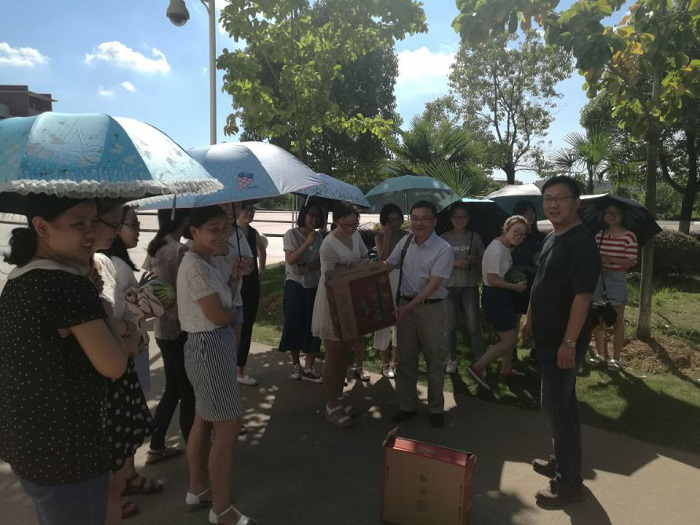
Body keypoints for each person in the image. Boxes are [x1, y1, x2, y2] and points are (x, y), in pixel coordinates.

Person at [0, 195, 128, 525]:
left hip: (29, 445)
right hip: (69, 452)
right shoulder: (67, 285)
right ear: (42, 227)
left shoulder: (19, 278)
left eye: (93, 221)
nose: (90, 232)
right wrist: (103, 308)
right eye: (77, 224)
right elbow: (114, 365)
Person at [521, 176, 600, 507]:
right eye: (548, 198)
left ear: (576, 202)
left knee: (556, 408)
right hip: (546, 335)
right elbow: (541, 282)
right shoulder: (554, 236)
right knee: (561, 405)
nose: (552, 204)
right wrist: (529, 318)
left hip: (563, 341)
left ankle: (569, 483)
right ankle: (561, 460)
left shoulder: (581, 243)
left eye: (560, 198)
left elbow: (583, 297)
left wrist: (569, 343)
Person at [176, 206, 255, 525]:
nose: (222, 235)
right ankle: (221, 509)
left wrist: (234, 277)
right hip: (209, 347)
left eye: (225, 227)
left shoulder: (206, 263)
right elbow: (222, 315)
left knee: (205, 419)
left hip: (208, 346)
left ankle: (197, 489)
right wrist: (233, 315)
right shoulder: (196, 266)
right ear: (194, 231)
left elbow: (225, 302)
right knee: (228, 428)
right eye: (214, 229)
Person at [93, 200, 155, 524]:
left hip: (121, 358)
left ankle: (124, 485)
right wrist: (130, 329)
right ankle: (116, 496)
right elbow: (109, 318)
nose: (133, 229)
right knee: (117, 441)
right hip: (115, 365)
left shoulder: (106, 262)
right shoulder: (104, 263)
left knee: (122, 439)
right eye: (126, 223)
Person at [386, 200, 454, 428]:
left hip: (431, 309)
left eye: (425, 218)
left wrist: (407, 308)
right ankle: (407, 405)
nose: (419, 223)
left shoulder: (443, 249)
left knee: (434, 359)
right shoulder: (406, 242)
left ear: (434, 221)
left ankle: (436, 408)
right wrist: (362, 270)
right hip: (405, 307)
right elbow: (389, 264)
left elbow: (433, 285)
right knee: (405, 359)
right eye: (414, 218)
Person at [142, 208, 196, 464]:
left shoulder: (155, 247)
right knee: (187, 391)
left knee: (173, 388)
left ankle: (156, 446)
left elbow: (149, 281)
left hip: (162, 329)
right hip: (179, 328)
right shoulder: (180, 251)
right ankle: (194, 447)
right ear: (184, 220)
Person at [311, 201, 368, 427]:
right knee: (333, 354)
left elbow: (364, 256)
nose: (351, 228)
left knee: (345, 352)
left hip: (352, 296)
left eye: (355, 224)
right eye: (346, 224)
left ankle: (339, 397)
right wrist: (350, 268)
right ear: (336, 221)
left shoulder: (356, 235)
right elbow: (329, 277)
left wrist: (360, 264)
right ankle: (331, 405)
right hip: (333, 299)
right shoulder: (328, 244)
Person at [466, 216, 529, 389]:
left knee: (509, 336)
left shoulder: (505, 246)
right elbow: (492, 279)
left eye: (522, 234)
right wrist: (515, 287)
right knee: (508, 340)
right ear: (506, 228)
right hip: (495, 296)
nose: (519, 236)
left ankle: (506, 370)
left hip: (501, 295)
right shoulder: (496, 249)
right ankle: (477, 367)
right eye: (516, 231)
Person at [588, 204, 638, 371]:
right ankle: (600, 354)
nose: (612, 215)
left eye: (615, 213)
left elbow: (632, 261)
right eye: (608, 212)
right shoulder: (599, 235)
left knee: (617, 320)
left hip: (617, 279)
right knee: (598, 318)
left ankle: (616, 358)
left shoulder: (629, 236)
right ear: (604, 216)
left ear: (622, 216)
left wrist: (611, 259)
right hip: (598, 278)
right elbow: (593, 256)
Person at [278, 203, 324, 382]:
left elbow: (322, 261)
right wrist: (307, 242)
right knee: (294, 324)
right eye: (311, 215)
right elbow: (290, 260)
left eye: (317, 216)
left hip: (314, 285)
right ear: (304, 215)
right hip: (295, 285)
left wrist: (309, 266)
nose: (314, 219)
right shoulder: (291, 234)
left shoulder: (319, 237)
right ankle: (296, 364)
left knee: (313, 326)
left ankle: (309, 367)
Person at [440, 203, 486, 374]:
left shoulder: (475, 237)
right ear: (451, 219)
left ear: (468, 218)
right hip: (449, 287)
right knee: (449, 325)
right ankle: (451, 359)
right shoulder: (443, 238)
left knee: (474, 326)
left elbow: (484, 259)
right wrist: (454, 262)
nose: (460, 220)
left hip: (469, 286)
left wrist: (475, 260)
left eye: (463, 217)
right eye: (456, 217)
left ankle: (480, 361)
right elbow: (437, 261)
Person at [372, 203, 407, 379]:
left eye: (397, 219)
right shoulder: (379, 237)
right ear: (384, 221)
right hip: (386, 280)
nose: (395, 223)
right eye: (390, 220)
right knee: (384, 321)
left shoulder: (407, 236)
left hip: (403, 280)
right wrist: (386, 237)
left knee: (400, 320)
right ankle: (384, 361)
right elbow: (382, 260)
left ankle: (396, 361)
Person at [235, 201, 267, 386]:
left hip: (251, 284)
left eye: (252, 209)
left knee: (247, 326)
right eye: (246, 209)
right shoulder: (230, 232)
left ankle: (240, 369)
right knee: (233, 326)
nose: (250, 213)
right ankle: (229, 367)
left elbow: (262, 249)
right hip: (235, 284)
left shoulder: (253, 232)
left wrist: (261, 270)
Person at [511, 200, 546, 364]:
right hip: (517, 281)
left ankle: (535, 348)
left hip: (536, 280)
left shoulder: (542, 236)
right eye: (525, 213)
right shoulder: (514, 237)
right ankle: (511, 348)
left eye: (532, 212)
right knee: (515, 316)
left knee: (537, 315)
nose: (530, 215)